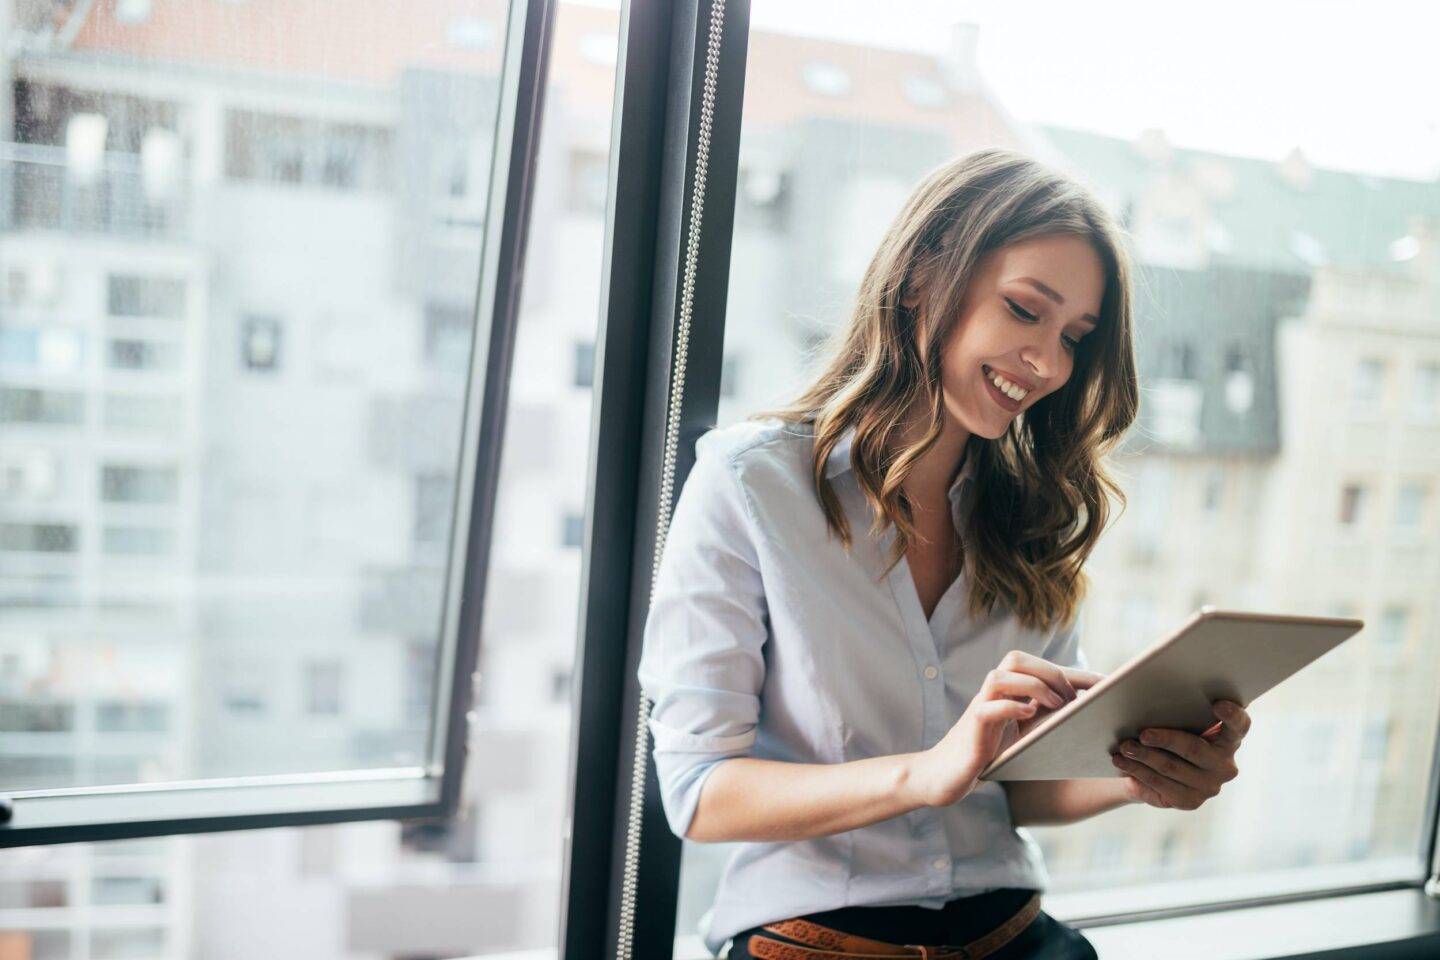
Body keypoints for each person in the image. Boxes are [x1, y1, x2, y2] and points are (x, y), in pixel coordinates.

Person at [637, 147, 1253, 959]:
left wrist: (1146, 775)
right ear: (927, 274)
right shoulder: (751, 484)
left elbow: (1017, 789)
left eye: (1074, 336)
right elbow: (699, 792)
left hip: (1019, 935)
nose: (1049, 363)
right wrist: (925, 771)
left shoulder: (1032, 514)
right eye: (1025, 310)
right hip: (816, 938)